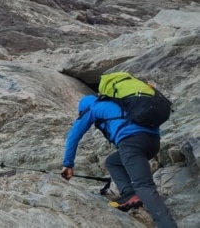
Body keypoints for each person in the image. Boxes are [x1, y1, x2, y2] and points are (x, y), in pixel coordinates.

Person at [60, 94, 177, 228]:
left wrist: (68, 164)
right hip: (153, 142)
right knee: (113, 161)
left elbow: (73, 136)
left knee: (144, 186)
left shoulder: (92, 107)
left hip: (131, 143)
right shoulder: (118, 102)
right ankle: (129, 193)